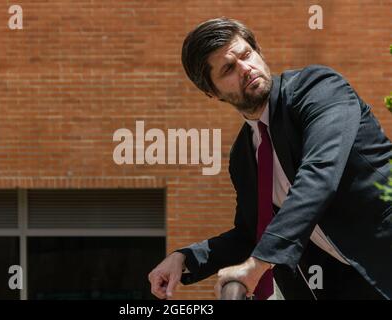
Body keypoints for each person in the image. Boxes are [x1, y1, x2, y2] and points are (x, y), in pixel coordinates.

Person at [147, 17, 391, 300]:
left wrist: (257, 264)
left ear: (258, 51)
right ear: (212, 92)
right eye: (228, 68)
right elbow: (253, 233)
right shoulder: (243, 154)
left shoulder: (319, 89)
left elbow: (319, 175)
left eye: (246, 55)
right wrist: (186, 257)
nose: (245, 69)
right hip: (343, 286)